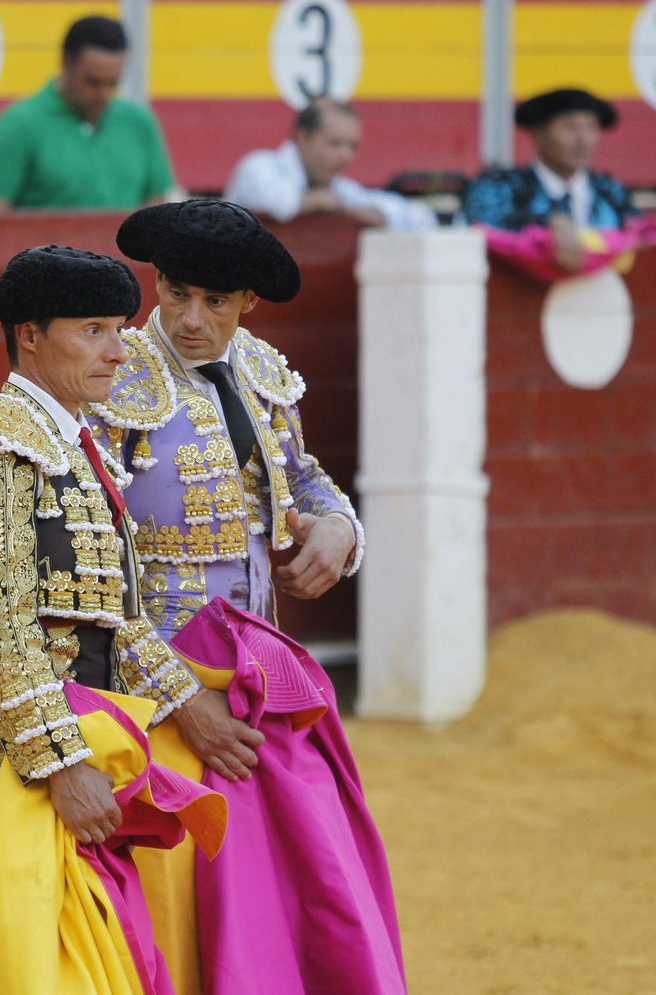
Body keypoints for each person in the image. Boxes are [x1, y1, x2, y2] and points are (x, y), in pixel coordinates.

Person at [0, 246, 254, 994]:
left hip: (96, 732)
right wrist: (62, 765)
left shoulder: (75, 440)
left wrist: (190, 704)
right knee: (39, 948)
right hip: (37, 748)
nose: (117, 349)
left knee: (66, 947)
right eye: (92, 329)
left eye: (119, 328)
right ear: (30, 334)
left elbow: (118, 618)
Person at [87, 199, 407, 995]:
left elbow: (301, 475)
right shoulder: (112, 378)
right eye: (176, 294)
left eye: (215, 302)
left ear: (247, 303)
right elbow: (91, 565)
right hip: (153, 679)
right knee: (174, 899)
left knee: (288, 882)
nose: (191, 319)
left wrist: (337, 525)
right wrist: (177, 695)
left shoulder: (263, 367)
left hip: (260, 673)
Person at [0, 17, 177, 213]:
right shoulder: (17, 127)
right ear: (66, 63)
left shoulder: (139, 123)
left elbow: (157, 218)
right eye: (93, 82)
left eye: (113, 83)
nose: (104, 95)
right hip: (47, 252)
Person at [462, 87, 641, 274]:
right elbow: (480, 224)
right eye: (569, 127)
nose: (583, 139)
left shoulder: (610, 190)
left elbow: (638, 234)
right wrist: (547, 223)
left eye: (590, 127)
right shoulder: (500, 186)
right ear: (538, 135)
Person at [223, 98, 436, 231]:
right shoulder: (259, 167)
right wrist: (319, 202)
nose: (346, 156)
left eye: (352, 147)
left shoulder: (338, 189)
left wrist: (379, 215)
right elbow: (270, 200)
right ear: (303, 137)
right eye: (335, 144)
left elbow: (421, 218)